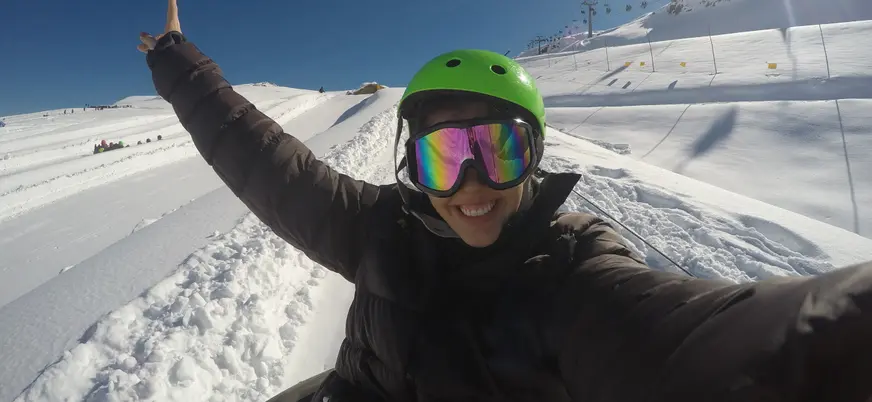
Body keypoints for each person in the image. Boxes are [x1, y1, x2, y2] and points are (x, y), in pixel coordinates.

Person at [140, 1, 872, 401]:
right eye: (442, 158)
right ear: (413, 167)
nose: (472, 186)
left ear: (535, 157)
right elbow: (271, 168)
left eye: (498, 150)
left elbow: (699, 341)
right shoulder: (379, 231)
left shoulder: (571, 274)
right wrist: (179, 68)